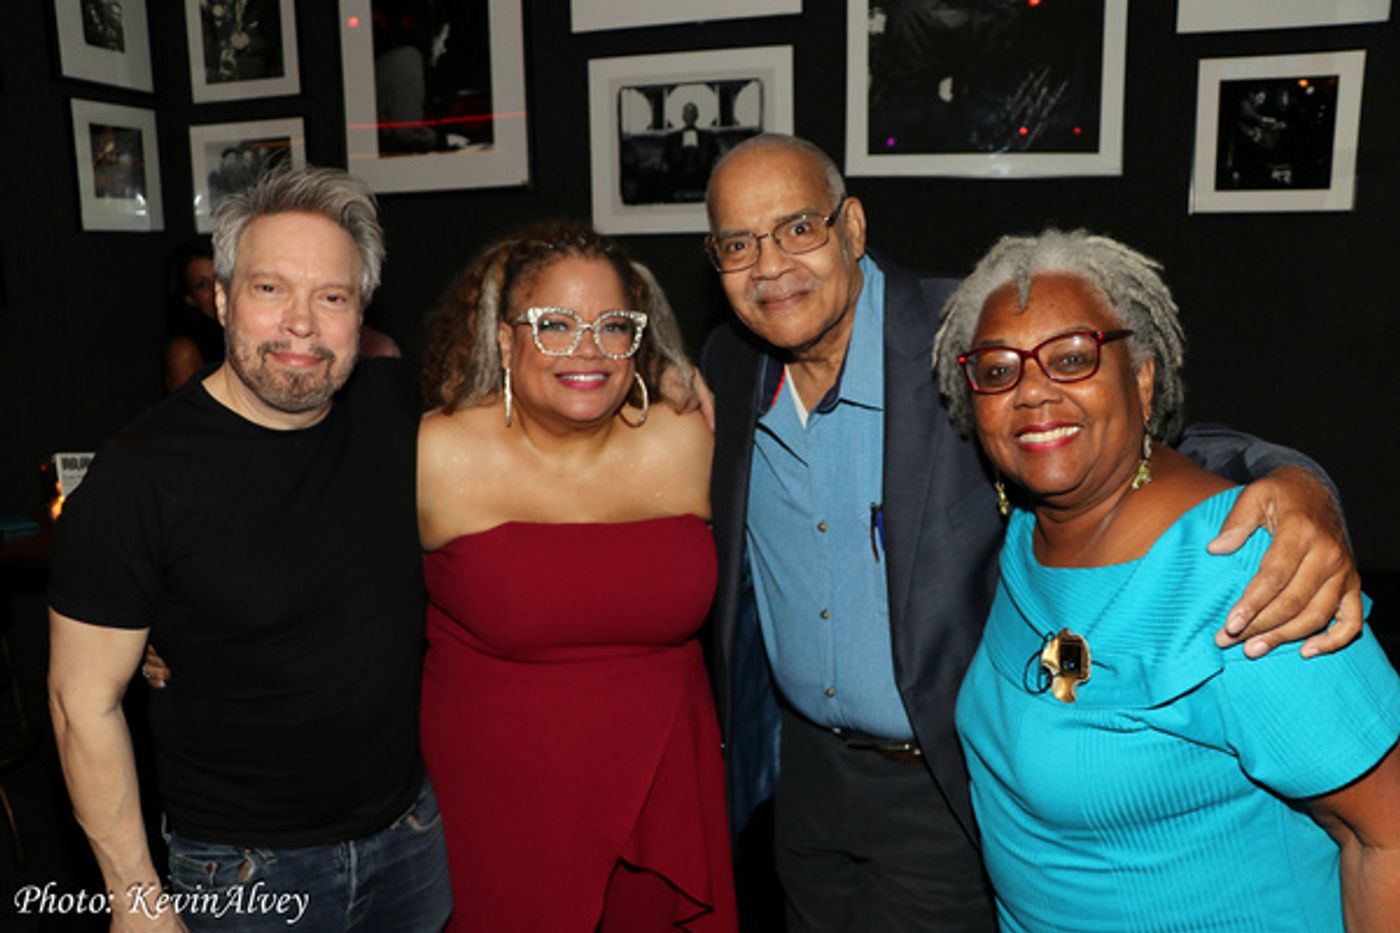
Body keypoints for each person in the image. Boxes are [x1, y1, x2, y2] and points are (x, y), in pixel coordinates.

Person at [698, 133, 1363, 930]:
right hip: (803, 774)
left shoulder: (964, 335)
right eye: (738, 244)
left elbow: (1128, 434)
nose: (770, 266)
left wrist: (1295, 482)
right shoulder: (730, 363)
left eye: (799, 227)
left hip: (945, 776)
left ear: (853, 226)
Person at [931, 228, 1400, 931]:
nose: (1031, 391)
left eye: (1072, 357)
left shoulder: (1247, 569)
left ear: (1143, 378)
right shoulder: (1029, 533)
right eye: (998, 371)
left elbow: (1388, 834)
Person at [47, 167, 451, 931]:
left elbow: (543, 421)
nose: (301, 323)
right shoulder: (139, 475)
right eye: (271, 289)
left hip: (410, 843)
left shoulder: (399, 410)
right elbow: (81, 703)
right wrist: (135, 899)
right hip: (244, 872)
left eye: (331, 297)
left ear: (360, 314)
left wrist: (666, 382)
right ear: (224, 300)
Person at [415, 220, 738, 931]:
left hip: (664, 797)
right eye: (554, 325)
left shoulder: (691, 438)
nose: (587, 348)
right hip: (501, 811)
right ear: (506, 342)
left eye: (612, 326)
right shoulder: (437, 452)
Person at [164, 239, 224, 391]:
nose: (216, 289)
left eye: (220, 278)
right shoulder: (184, 351)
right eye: (201, 285)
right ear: (190, 299)